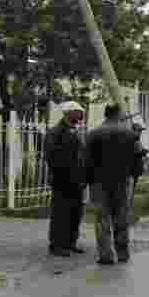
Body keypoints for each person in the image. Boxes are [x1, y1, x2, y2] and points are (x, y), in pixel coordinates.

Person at [84, 103, 140, 265]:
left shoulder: (93, 134)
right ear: (118, 114)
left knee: (102, 218)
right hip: (122, 180)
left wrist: (88, 179)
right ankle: (123, 253)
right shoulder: (129, 134)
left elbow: (87, 160)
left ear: (105, 114)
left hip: (99, 182)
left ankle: (106, 255)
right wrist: (134, 175)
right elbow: (137, 156)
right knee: (121, 217)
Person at [45, 101, 87, 256]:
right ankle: (57, 245)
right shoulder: (55, 132)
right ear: (69, 113)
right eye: (78, 112)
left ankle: (70, 243)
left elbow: (80, 155)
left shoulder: (74, 131)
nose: (81, 116)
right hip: (62, 181)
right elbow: (51, 156)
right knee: (61, 214)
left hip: (76, 182)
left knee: (75, 213)